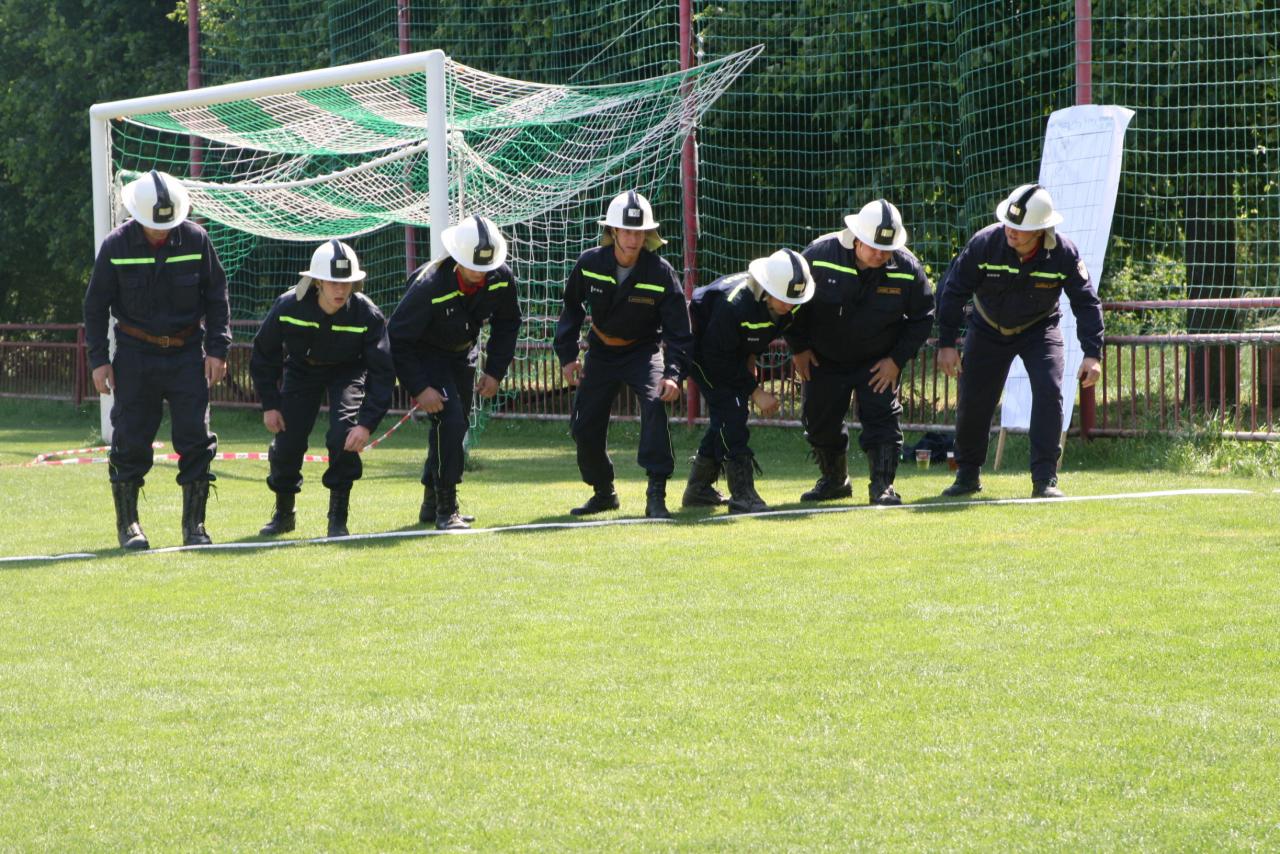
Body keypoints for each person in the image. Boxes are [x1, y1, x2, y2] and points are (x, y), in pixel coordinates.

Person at [83, 170, 231, 549]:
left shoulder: (197, 240)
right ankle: (129, 527)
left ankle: (195, 527)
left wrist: (217, 349)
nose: (161, 232)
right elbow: (95, 307)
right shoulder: (115, 246)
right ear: (137, 215)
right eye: (154, 225)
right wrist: (99, 360)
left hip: (187, 353)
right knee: (130, 439)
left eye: (167, 224)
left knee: (196, 438)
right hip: (135, 355)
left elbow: (217, 296)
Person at [936, 183, 1103, 498]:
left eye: (1020, 228)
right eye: (1008, 223)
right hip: (986, 328)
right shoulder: (984, 244)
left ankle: (1045, 480)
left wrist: (1092, 353)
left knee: (1049, 391)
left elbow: (1086, 302)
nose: (1011, 231)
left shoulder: (1064, 253)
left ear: (1041, 230)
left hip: (1040, 329)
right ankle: (967, 475)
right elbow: (953, 291)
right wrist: (946, 344)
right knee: (973, 399)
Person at [554, 190, 693, 519]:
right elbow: (571, 310)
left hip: (643, 352)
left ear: (648, 235)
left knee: (656, 404)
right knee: (583, 426)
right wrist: (568, 356)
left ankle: (656, 494)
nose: (633, 239)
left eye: (639, 232)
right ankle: (604, 492)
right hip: (601, 352)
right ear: (613, 231)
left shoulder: (661, 273)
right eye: (627, 231)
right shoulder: (589, 263)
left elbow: (679, 331)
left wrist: (673, 375)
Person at [786, 199, 934, 505]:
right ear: (856, 238)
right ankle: (834, 481)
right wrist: (798, 347)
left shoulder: (908, 268)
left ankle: (883, 487)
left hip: (878, 361)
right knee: (818, 420)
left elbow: (923, 317)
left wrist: (896, 360)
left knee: (883, 419)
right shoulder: (818, 256)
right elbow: (791, 302)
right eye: (874, 247)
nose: (880, 254)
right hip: (823, 358)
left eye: (887, 248)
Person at [249, 240, 394, 537]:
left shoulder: (368, 315)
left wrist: (366, 424)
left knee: (344, 434)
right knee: (287, 439)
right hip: (302, 370)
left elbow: (382, 373)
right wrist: (270, 404)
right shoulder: (287, 306)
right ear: (317, 282)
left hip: (348, 372)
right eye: (333, 283)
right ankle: (284, 514)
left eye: (346, 283)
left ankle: (337, 519)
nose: (340, 290)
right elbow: (264, 354)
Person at [388, 215, 522, 530]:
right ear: (457, 257)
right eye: (474, 266)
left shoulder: (501, 278)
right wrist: (419, 387)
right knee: (451, 422)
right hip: (427, 355)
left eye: (486, 266)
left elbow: (508, 323)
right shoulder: (428, 286)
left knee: (453, 429)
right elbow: (397, 339)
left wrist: (495, 371)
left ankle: (431, 503)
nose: (481, 273)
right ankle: (446, 509)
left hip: (463, 354)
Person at [684, 248, 814, 513]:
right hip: (700, 350)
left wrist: (750, 360)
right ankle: (742, 494)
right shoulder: (734, 304)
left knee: (727, 415)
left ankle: (698, 489)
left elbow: (759, 334)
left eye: (794, 299)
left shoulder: (787, 305)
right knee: (731, 412)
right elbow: (716, 356)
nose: (790, 305)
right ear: (767, 289)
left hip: (728, 350)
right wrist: (755, 391)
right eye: (785, 298)